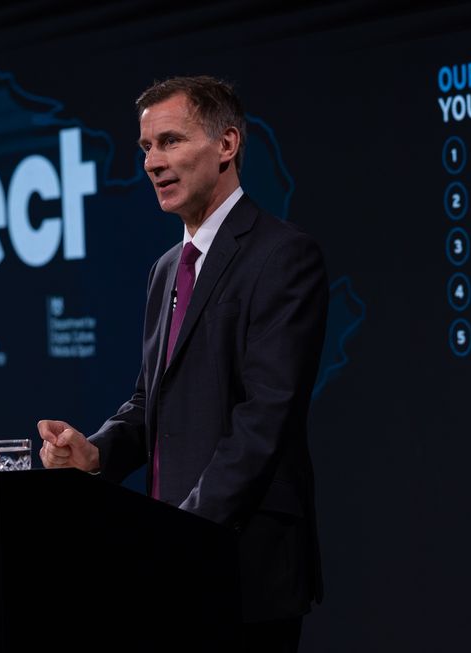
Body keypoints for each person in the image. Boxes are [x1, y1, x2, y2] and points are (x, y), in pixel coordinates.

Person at [38, 75, 327, 651]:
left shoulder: (282, 255)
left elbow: (265, 417)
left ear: (227, 145)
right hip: (171, 563)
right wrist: (96, 452)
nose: (152, 162)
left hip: (242, 564)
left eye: (170, 141)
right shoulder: (168, 267)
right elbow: (152, 401)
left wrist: (183, 533)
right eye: (146, 147)